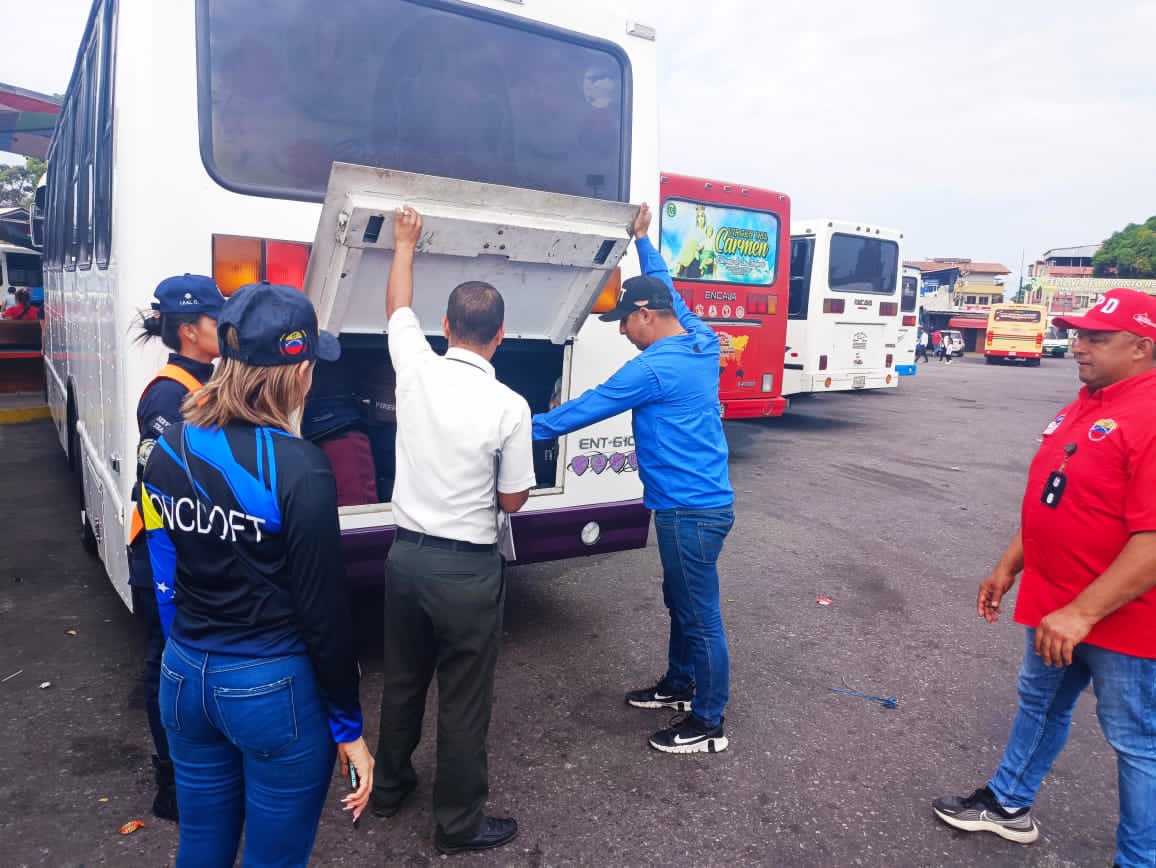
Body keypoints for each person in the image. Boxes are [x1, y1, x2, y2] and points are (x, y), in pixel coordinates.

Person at [140, 281, 373, 867]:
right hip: (269, 687)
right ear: (296, 372)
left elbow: (163, 565)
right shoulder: (300, 467)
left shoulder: (170, 446)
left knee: (200, 846)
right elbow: (325, 615)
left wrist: (181, 651)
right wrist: (348, 727)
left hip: (184, 673)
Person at [932, 288, 1156, 868]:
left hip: (1124, 620)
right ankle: (1009, 805)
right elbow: (1053, 498)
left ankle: (1140, 858)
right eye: (1078, 334)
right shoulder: (1085, 404)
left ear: (1143, 346)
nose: (1077, 345)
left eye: (1095, 338)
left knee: (1137, 745)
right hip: (1053, 606)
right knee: (1040, 707)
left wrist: (1082, 612)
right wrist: (1009, 565)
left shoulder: (1151, 415)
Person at [532, 203, 735, 755]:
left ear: (645, 314)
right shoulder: (700, 339)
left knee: (699, 612)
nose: (622, 332)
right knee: (681, 600)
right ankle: (678, 685)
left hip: (686, 512)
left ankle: (708, 722)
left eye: (624, 320)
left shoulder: (652, 368)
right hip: (704, 506)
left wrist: (517, 429)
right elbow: (668, 286)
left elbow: (588, 408)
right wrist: (645, 242)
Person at [371, 207, 533, 855]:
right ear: (500, 337)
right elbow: (514, 500)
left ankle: (388, 790)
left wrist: (405, 244)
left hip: (404, 559)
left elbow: (396, 312)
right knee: (463, 700)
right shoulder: (510, 406)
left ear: (446, 328)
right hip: (468, 570)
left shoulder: (415, 367)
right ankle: (458, 824)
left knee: (403, 679)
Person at [127, 274, 225, 822]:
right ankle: (171, 785)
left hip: (191, 547)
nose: (225, 328)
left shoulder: (204, 381)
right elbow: (164, 482)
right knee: (163, 665)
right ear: (189, 331)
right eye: (216, 320)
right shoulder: (169, 393)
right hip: (161, 551)